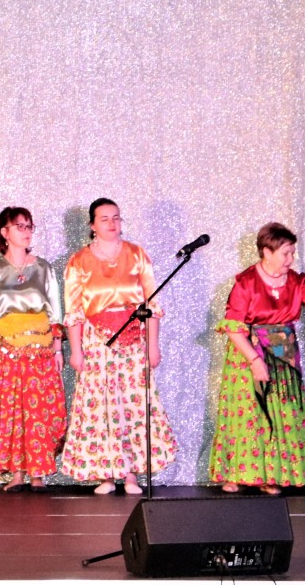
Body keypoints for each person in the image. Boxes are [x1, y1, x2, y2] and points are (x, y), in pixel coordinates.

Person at [209, 222, 305, 495]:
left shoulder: (297, 282)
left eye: (293, 252)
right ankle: (235, 473)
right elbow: (234, 328)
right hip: (249, 352)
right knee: (248, 413)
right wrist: (254, 360)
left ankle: (272, 476)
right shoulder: (246, 282)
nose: (291, 259)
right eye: (285, 253)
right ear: (267, 252)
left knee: (281, 414)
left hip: (283, 353)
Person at [62, 198, 176, 495]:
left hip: (133, 341)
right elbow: (73, 310)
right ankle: (107, 474)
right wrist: (76, 351)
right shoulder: (79, 261)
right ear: (92, 225)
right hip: (97, 341)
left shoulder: (136, 255)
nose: (112, 223)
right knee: (102, 406)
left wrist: (153, 346)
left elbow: (152, 304)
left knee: (132, 405)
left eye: (116, 217)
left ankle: (132, 474)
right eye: (104, 219)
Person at [0, 208, 65, 493]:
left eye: (29, 226)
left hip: (40, 352)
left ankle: (38, 473)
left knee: (38, 411)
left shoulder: (44, 268)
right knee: (11, 410)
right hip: (5, 351)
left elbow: (55, 313)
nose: (26, 232)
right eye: (19, 226)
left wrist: (57, 350)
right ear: (4, 233)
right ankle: (17, 473)